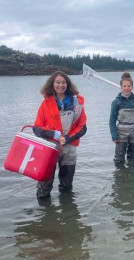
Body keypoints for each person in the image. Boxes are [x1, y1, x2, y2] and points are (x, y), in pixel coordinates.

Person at [33, 71, 87, 199]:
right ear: (52, 84)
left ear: (67, 84)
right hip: (49, 148)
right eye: (57, 82)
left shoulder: (77, 103)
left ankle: (67, 213)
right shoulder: (45, 103)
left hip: (69, 148)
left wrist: (68, 138)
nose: (60, 85)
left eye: (63, 82)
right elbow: (36, 128)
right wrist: (52, 134)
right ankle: (44, 211)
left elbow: (83, 127)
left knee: (66, 186)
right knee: (44, 185)